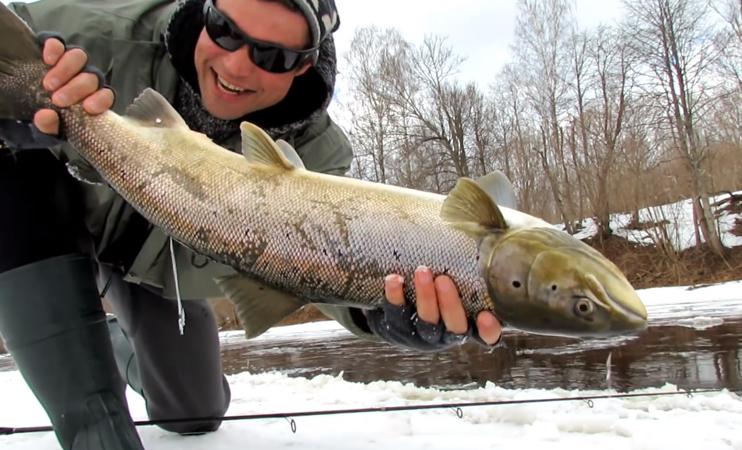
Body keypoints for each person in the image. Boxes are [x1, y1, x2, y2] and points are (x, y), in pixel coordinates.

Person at [0, 0, 502, 449]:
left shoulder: (317, 155)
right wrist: (13, 109)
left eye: (273, 56)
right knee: (95, 421)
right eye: (225, 30)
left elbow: (326, 266)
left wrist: (380, 313)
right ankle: (86, 392)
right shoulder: (95, 31)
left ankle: (107, 335)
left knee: (193, 413)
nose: (236, 64)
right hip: (45, 227)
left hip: (159, 273)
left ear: (304, 63)